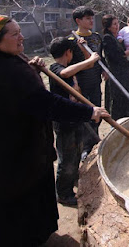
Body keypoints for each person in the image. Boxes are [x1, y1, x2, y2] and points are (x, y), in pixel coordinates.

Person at [0, 15, 110, 246]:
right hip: (13, 155)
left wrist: (32, 69)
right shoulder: (6, 71)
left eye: (19, 31)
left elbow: (24, 96)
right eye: (14, 34)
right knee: (19, 210)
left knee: (29, 201)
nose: (21, 36)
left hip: (12, 149)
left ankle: (36, 236)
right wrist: (88, 112)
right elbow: (46, 103)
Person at [49, 37, 100, 205]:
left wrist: (83, 49)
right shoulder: (55, 68)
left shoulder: (69, 66)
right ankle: (63, 193)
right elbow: (65, 74)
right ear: (67, 53)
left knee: (76, 153)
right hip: (64, 122)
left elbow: (89, 64)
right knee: (66, 159)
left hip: (75, 118)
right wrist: (91, 59)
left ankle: (72, 180)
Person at [68, 6, 106, 161]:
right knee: (84, 113)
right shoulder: (71, 40)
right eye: (87, 18)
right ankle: (85, 148)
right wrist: (74, 84)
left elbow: (100, 56)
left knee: (97, 111)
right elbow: (69, 64)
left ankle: (95, 142)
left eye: (92, 18)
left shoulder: (96, 37)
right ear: (78, 21)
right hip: (81, 82)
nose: (91, 21)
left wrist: (105, 70)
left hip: (95, 80)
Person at [102, 14, 129, 120]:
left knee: (127, 99)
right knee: (118, 100)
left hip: (125, 73)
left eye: (117, 24)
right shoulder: (107, 38)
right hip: (117, 74)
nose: (117, 26)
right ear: (108, 26)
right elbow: (115, 56)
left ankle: (128, 120)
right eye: (114, 24)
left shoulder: (117, 38)